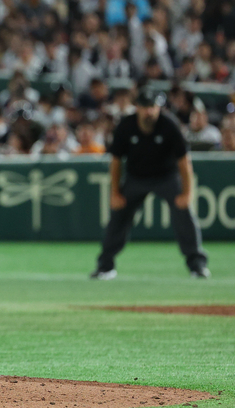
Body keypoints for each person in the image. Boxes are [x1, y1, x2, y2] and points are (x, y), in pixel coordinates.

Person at [90, 89, 210, 280]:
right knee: (118, 215)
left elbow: (184, 161)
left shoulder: (169, 124)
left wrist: (187, 193)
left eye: (153, 107)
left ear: (158, 108)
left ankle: (197, 265)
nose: (149, 111)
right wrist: (115, 192)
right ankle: (105, 266)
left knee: (184, 213)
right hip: (136, 178)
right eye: (145, 106)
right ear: (137, 107)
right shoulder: (126, 125)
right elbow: (115, 161)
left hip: (167, 177)